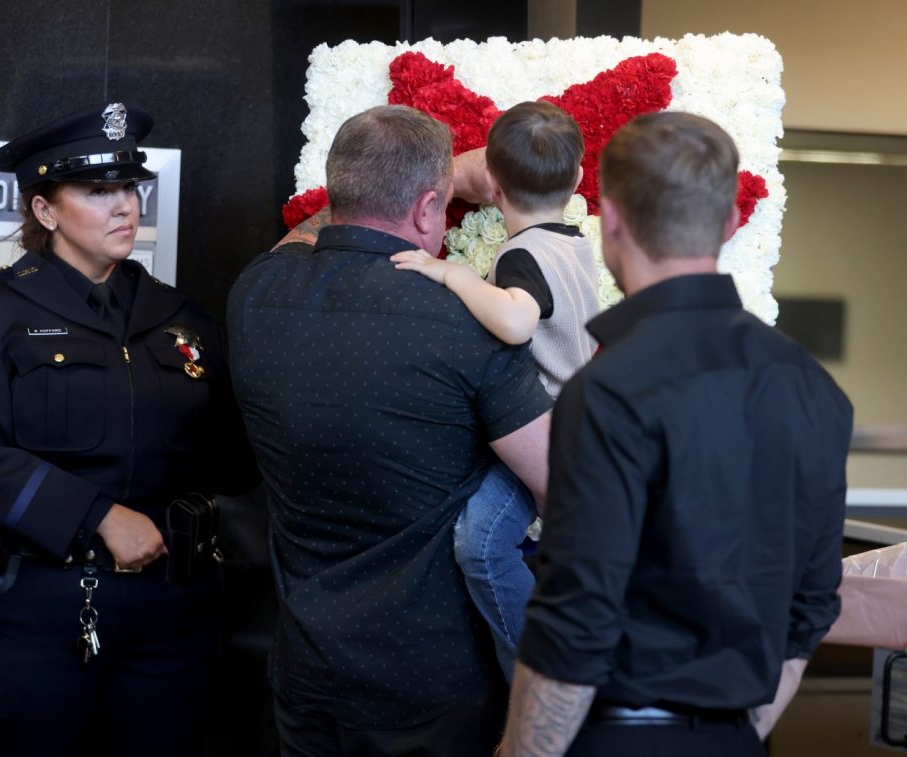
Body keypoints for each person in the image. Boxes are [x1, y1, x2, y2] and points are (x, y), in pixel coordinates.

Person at [499, 112, 854, 756]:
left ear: (608, 219)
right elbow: (810, 605)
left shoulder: (609, 388)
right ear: (725, 224)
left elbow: (576, 621)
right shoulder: (813, 387)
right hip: (737, 739)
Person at [0, 101, 258, 757]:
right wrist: (99, 514)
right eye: (98, 191)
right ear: (45, 211)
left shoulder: (182, 318)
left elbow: (230, 456)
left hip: (174, 613)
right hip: (38, 610)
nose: (124, 205)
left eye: (130, 187)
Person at [226, 104, 554, 756]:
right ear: (430, 208)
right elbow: (565, 481)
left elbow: (293, 242)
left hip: (306, 674)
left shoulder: (254, 293)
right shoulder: (464, 319)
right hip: (433, 685)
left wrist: (434, 182)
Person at [390, 101, 600, 681]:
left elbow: (515, 323)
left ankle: (537, 682)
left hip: (543, 433)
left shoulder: (523, 254)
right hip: (574, 429)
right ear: (579, 179)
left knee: (480, 547)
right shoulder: (575, 244)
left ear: (494, 185)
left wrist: (451, 274)